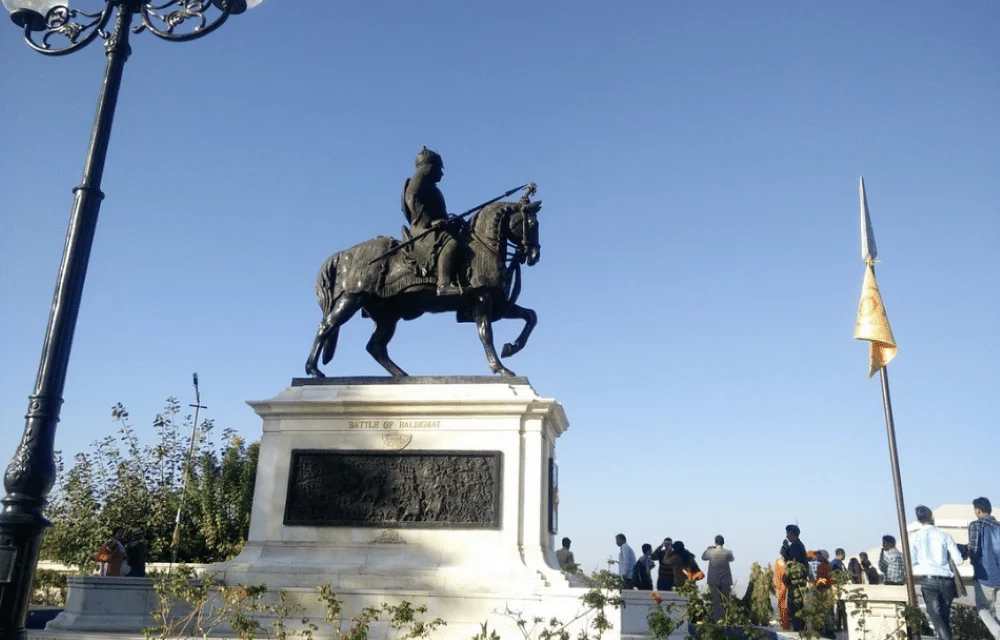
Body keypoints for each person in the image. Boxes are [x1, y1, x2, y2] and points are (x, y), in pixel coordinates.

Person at [402, 146, 465, 296]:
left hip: (436, 226)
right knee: (451, 243)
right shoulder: (416, 183)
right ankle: (444, 284)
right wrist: (430, 223)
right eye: (438, 168)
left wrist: (451, 221)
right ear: (429, 167)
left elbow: (440, 214)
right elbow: (413, 200)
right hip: (422, 228)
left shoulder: (432, 188)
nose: (441, 173)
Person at [911, 504, 964, 640]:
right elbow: (958, 560)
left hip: (928, 579)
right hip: (946, 580)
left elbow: (912, 561)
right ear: (932, 517)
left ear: (918, 520)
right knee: (944, 617)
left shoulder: (915, 537)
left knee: (935, 614)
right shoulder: (943, 535)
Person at [968, 497, 1000, 639]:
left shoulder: (976, 525)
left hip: (984, 577)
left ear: (978, 510)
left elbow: (973, 550)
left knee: (982, 608)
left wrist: (971, 559)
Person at [702, 535, 735, 622]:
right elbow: (731, 559)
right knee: (726, 601)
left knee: (716, 602)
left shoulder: (710, 552)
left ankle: (717, 621)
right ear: (723, 542)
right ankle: (726, 619)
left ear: (715, 542)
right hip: (726, 581)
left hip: (714, 580)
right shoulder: (728, 552)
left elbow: (703, 557)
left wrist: (708, 549)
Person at [783, 525, 809, 632]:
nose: (786, 535)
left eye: (787, 533)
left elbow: (793, 562)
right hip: (800, 580)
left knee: (795, 606)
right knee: (799, 604)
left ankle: (797, 629)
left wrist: (785, 551)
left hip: (795, 581)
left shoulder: (795, 546)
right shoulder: (799, 545)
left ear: (791, 533)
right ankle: (801, 628)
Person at [832, 549, 849, 632]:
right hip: (837, 588)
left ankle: (844, 626)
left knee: (843, 608)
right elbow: (830, 574)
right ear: (841, 554)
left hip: (842, 587)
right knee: (838, 608)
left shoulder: (841, 563)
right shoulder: (834, 563)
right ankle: (837, 626)